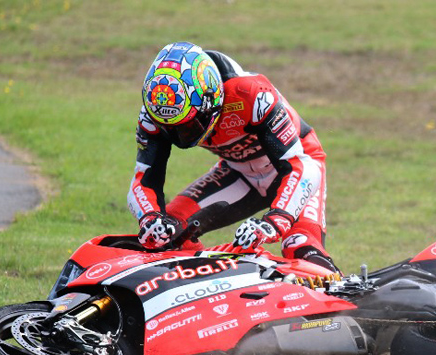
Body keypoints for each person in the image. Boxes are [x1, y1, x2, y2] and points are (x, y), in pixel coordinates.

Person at [127, 41, 339, 273]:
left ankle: (349, 297)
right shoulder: (154, 115)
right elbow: (143, 179)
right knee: (170, 232)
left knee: (299, 245)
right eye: (171, 128)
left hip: (299, 167)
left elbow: (301, 167)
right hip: (238, 171)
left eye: (189, 125)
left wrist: (275, 221)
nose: (180, 135)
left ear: (212, 100)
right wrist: (150, 217)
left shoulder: (251, 94)